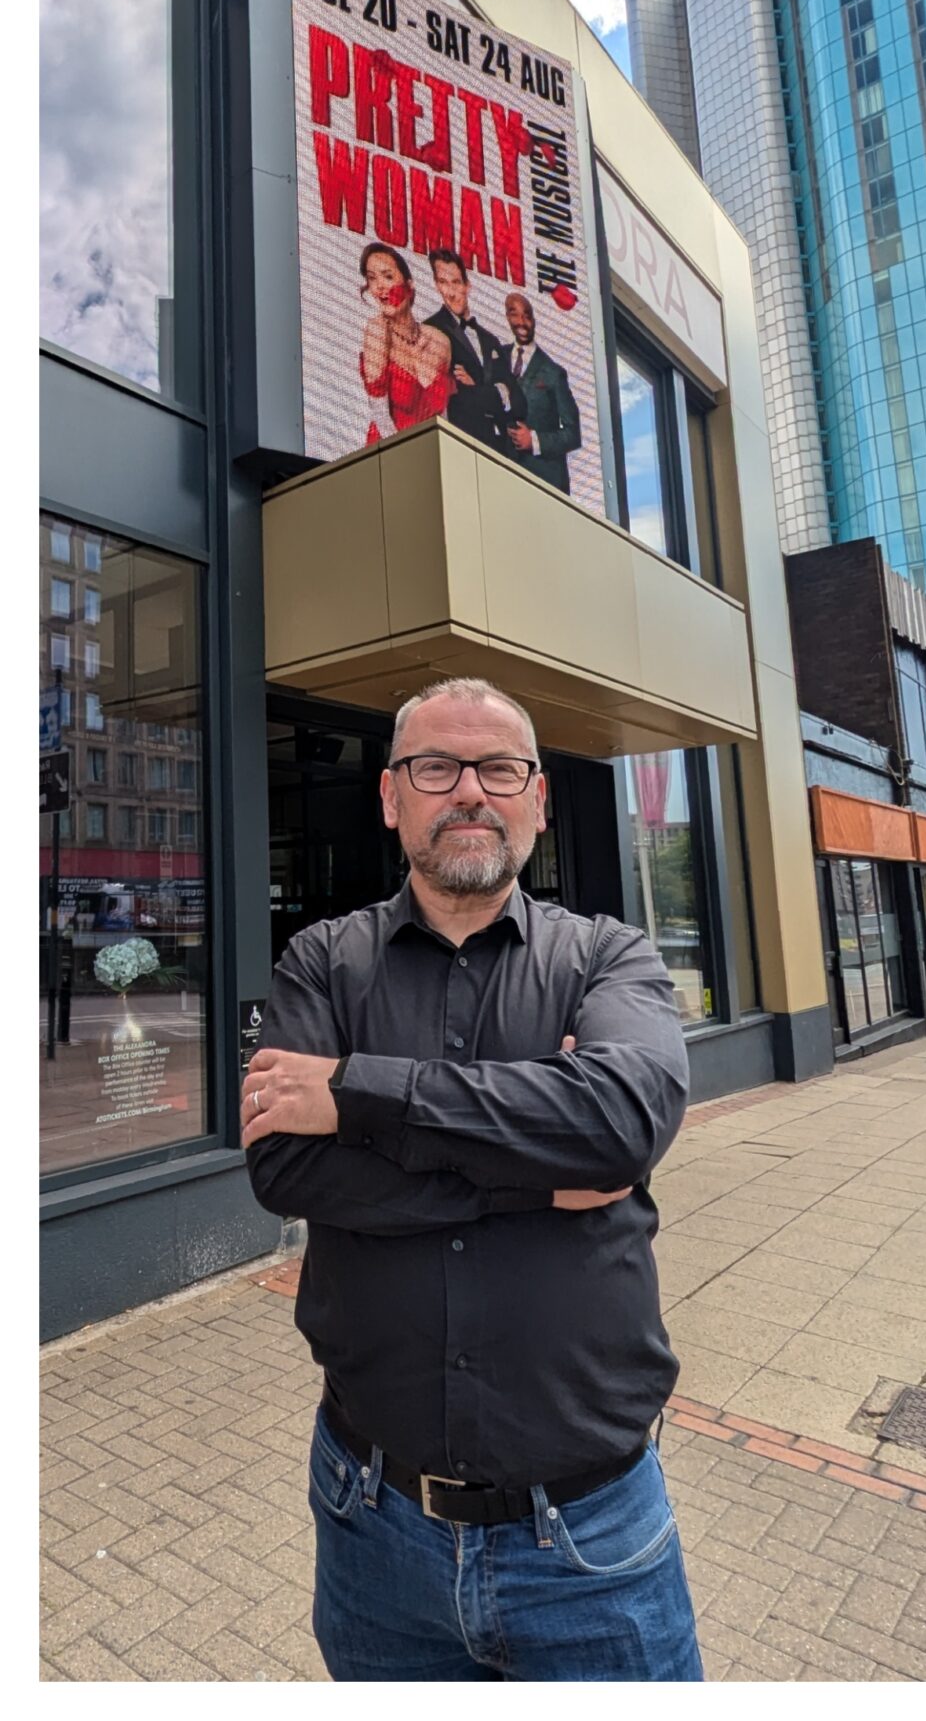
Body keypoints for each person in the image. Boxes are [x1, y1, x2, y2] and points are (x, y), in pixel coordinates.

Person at [244, 677, 701, 1679]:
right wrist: (533, 1179)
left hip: (588, 1541)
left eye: (498, 768)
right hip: (371, 1520)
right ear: (390, 796)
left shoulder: (606, 957)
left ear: (537, 796)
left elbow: (619, 1124)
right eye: (435, 767)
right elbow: (281, 1163)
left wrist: (357, 1096)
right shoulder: (320, 964)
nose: (469, 793)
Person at [423, 247, 515, 454]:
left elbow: (519, 401)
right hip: (462, 450)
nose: (451, 292)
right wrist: (497, 392)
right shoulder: (430, 331)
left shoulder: (490, 339)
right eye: (443, 283)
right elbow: (455, 400)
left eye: (456, 282)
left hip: (503, 452)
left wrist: (476, 387)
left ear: (467, 285)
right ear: (437, 285)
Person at [355, 242, 452, 439]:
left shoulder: (440, 342)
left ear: (409, 285)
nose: (379, 286)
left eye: (388, 276)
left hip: (429, 456)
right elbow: (380, 415)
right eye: (372, 278)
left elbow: (443, 418)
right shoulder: (377, 331)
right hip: (389, 454)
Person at [498, 291, 583, 495]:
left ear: (534, 320)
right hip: (503, 479)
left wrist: (535, 441)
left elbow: (573, 434)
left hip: (544, 485)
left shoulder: (554, 373)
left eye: (527, 315)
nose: (522, 322)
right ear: (507, 317)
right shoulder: (497, 356)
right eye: (515, 314)